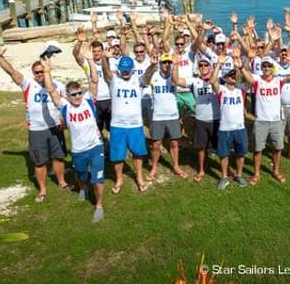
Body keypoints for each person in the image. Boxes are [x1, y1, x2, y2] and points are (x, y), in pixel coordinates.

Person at [0, 44, 70, 203]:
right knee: (39, 161)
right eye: (37, 73)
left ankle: (62, 182)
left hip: (55, 127)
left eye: (42, 71)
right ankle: (42, 189)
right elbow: (12, 72)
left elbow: (67, 106)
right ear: (33, 74)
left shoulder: (58, 85)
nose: (40, 74)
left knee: (59, 157)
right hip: (36, 129)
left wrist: (65, 122)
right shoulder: (28, 84)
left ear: (47, 70)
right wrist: (0, 57)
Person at [42, 51, 105, 222]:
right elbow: (51, 90)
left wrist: (91, 61)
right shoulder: (65, 106)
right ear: (68, 96)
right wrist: (47, 71)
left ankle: (99, 206)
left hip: (95, 146)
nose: (77, 97)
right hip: (78, 150)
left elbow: (94, 81)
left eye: (79, 93)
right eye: (73, 95)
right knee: (81, 175)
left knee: (98, 179)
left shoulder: (88, 101)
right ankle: (83, 188)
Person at [239, 41, 290, 184]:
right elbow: (244, 71)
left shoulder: (279, 80)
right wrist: (247, 59)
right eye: (264, 66)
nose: (266, 68)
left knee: (278, 147)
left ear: (273, 68)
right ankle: (256, 173)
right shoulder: (257, 80)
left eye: (268, 66)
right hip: (261, 120)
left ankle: (276, 171)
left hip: (276, 120)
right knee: (258, 149)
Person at [101, 53, 157, 194]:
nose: (125, 71)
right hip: (117, 125)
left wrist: (153, 64)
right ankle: (119, 179)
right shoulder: (113, 80)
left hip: (135, 125)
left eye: (128, 69)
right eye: (123, 69)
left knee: (138, 153)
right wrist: (104, 58)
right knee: (117, 155)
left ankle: (139, 177)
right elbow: (105, 71)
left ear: (132, 68)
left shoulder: (138, 82)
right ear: (119, 69)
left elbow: (148, 75)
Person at [172, 52, 219, 183]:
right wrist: (175, 64)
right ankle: (201, 170)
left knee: (219, 147)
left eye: (206, 65)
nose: (203, 67)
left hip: (216, 119)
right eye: (201, 65)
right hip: (201, 119)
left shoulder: (216, 79)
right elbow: (176, 81)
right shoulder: (194, 81)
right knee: (201, 147)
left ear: (210, 67)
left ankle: (224, 170)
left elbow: (217, 82)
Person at [143, 53, 188, 181]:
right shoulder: (155, 76)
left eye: (169, 62)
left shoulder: (174, 77)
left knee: (174, 142)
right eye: (164, 62)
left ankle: (176, 166)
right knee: (156, 144)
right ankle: (154, 167)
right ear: (160, 63)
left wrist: (176, 63)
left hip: (172, 115)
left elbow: (176, 78)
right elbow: (145, 79)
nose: (167, 65)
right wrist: (152, 65)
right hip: (157, 115)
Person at [210, 52, 249, 189]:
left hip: (239, 128)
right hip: (225, 128)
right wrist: (219, 64)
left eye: (234, 75)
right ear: (225, 78)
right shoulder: (221, 90)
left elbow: (251, 82)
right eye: (230, 75)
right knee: (223, 154)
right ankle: (224, 176)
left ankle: (238, 175)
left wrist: (241, 67)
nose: (233, 77)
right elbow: (212, 81)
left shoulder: (241, 89)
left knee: (240, 152)